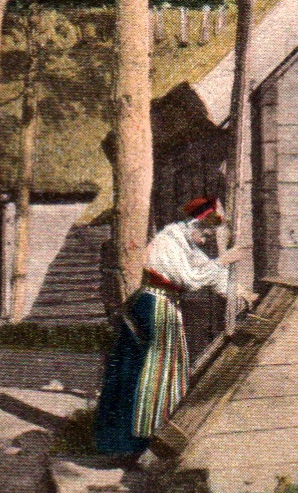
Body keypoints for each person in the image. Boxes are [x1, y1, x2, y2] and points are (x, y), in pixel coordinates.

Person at [93, 195, 242, 457]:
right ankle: (135, 441)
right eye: (206, 234)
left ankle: (151, 436)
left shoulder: (185, 243)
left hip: (164, 307)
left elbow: (209, 271)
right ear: (195, 225)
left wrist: (240, 292)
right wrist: (224, 260)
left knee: (164, 369)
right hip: (154, 307)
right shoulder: (168, 241)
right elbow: (190, 279)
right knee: (154, 370)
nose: (207, 241)